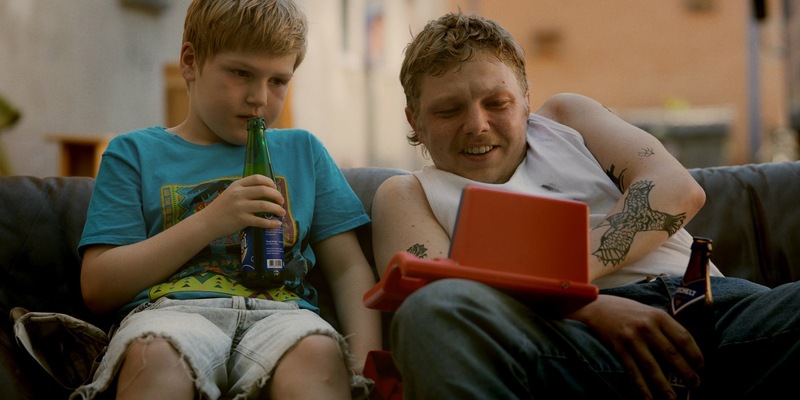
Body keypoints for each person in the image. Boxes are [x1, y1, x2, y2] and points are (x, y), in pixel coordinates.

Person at [371, 11, 800, 400]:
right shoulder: (406, 193)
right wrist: (586, 306)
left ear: (524, 99)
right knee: (433, 314)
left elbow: (676, 189)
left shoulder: (567, 118)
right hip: (570, 344)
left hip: (717, 313)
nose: (477, 124)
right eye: (448, 110)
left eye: (497, 103)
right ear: (415, 122)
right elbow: (437, 294)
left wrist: (564, 277)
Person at [71, 1, 381, 399]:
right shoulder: (134, 153)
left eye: (278, 81)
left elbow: (349, 269)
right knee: (155, 357)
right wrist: (209, 221)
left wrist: (365, 366)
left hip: (283, 316)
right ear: (190, 62)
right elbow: (99, 287)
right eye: (240, 73)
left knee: (317, 353)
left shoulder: (304, 151)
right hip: (172, 315)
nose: (259, 98)